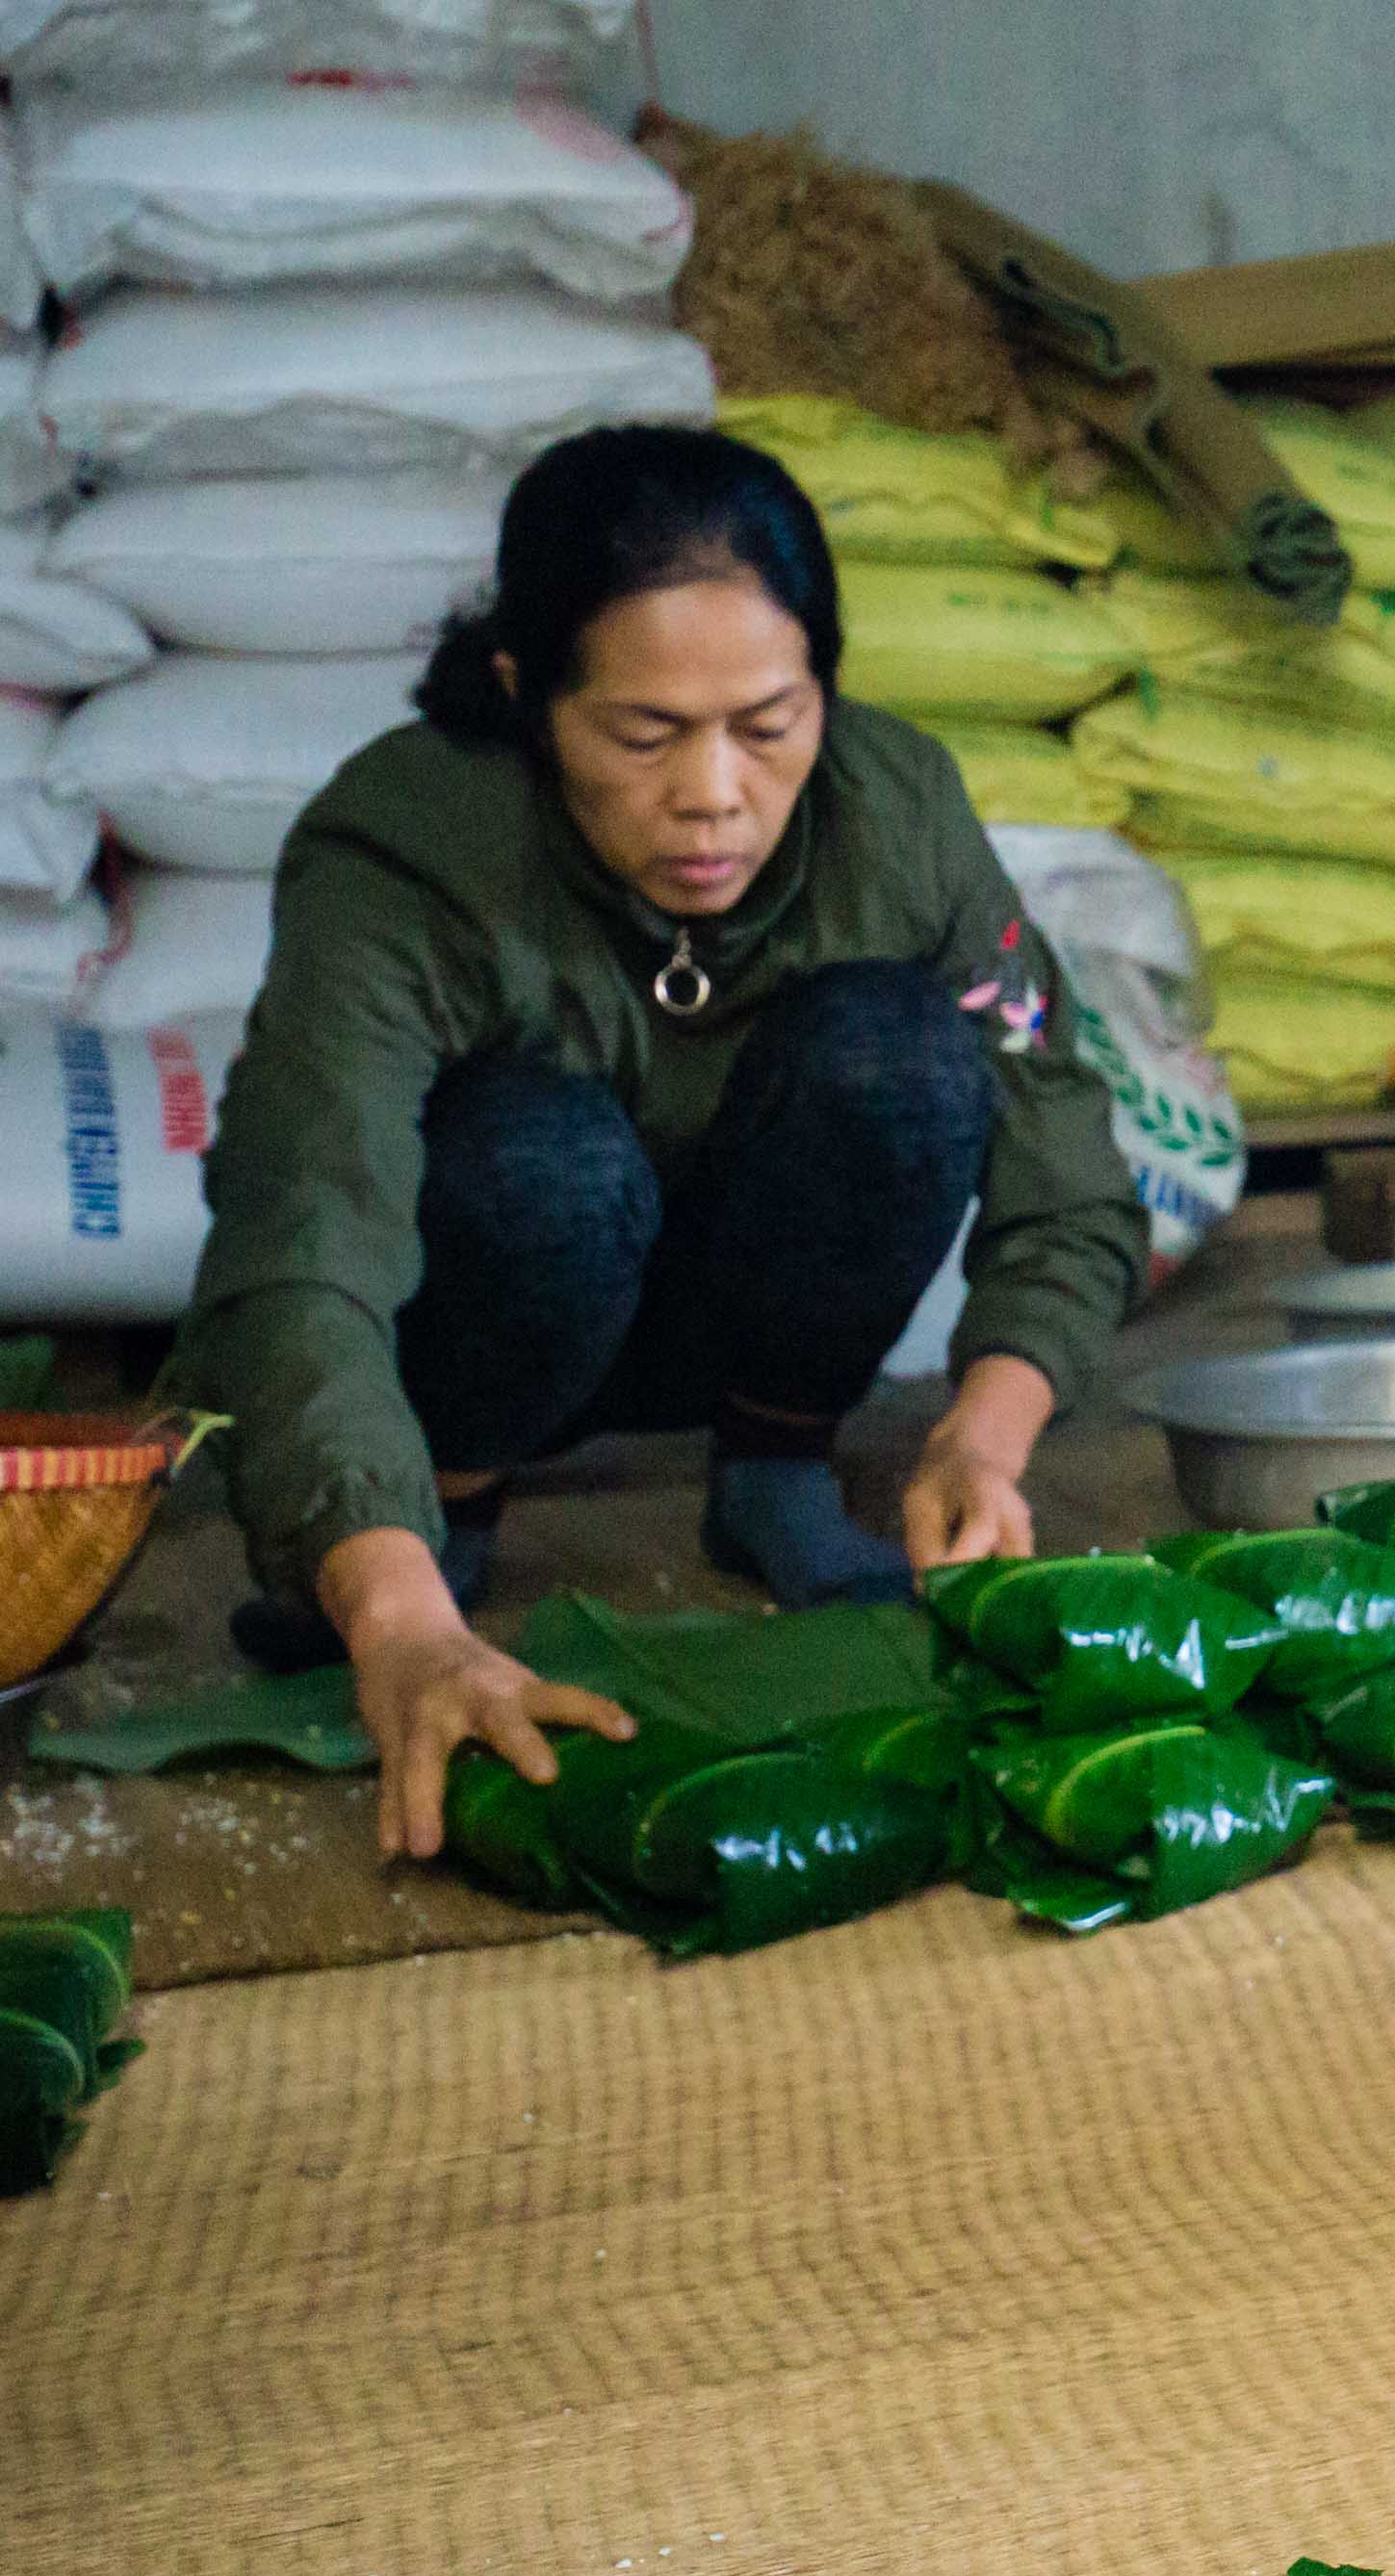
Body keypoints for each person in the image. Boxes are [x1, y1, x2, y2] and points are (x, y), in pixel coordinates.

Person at [174, 425, 1147, 1861]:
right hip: (500, 1307)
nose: (713, 794)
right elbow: (302, 1240)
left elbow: (1061, 1160)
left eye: (769, 723)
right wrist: (388, 1610)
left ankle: (773, 1474)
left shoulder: (897, 812)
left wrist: (981, 1445)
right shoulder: (409, 847)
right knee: (541, 1161)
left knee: (901, 1053)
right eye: (643, 734)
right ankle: (445, 1509)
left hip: (745, 1308)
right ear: (525, 693)